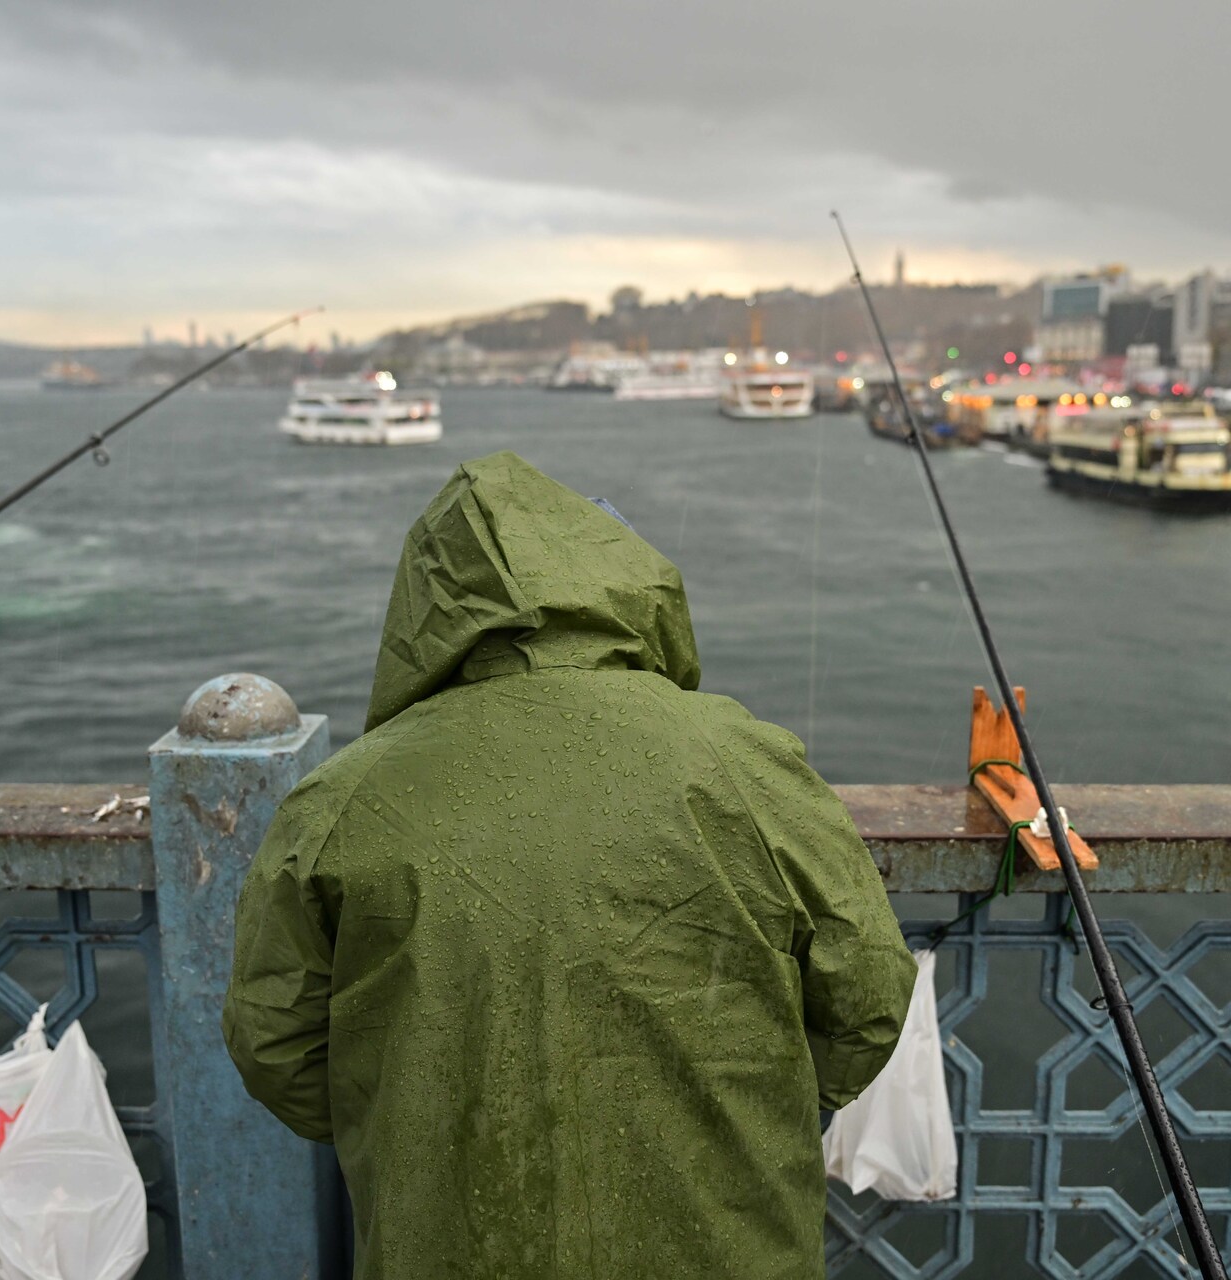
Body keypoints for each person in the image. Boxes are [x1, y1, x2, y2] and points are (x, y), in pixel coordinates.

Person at [223, 450, 916, 1278]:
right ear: (631, 589)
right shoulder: (747, 762)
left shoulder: (342, 798)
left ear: (430, 609)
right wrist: (758, 1111)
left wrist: (415, 1131)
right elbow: (868, 990)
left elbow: (277, 1047)